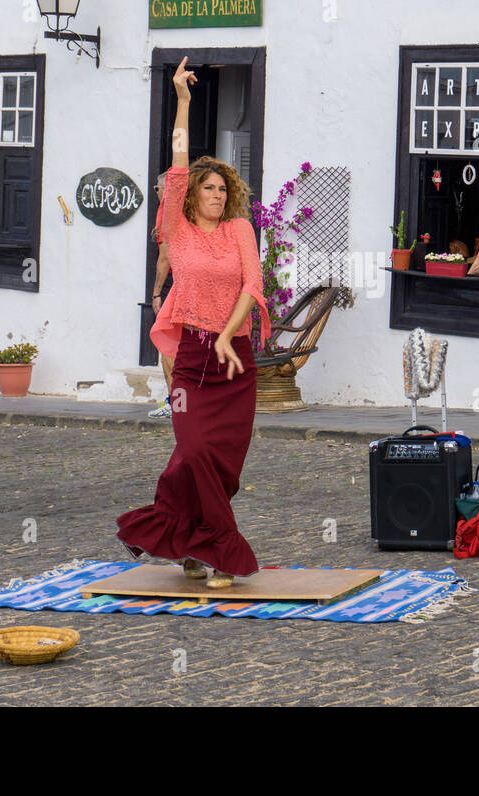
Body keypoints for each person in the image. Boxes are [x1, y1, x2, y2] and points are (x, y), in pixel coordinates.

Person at [116, 56, 270, 589]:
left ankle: (188, 545)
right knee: (194, 449)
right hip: (190, 363)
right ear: (189, 197)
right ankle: (223, 553)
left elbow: (253, 286)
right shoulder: (177, 233)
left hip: (236, 361)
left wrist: (230, 332)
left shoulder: (240, 232)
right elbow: (177, 163)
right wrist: (182, 99)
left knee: (219, 463)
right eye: (208, 190)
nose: (217, 196)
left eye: (222, 190)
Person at [148, 172, 174, 419]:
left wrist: (156, 293)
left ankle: (174, 402)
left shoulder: (168, 212)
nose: (156, 192)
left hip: (174, 283)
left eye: (157, 188)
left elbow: (165, 257)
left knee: (169, 346)